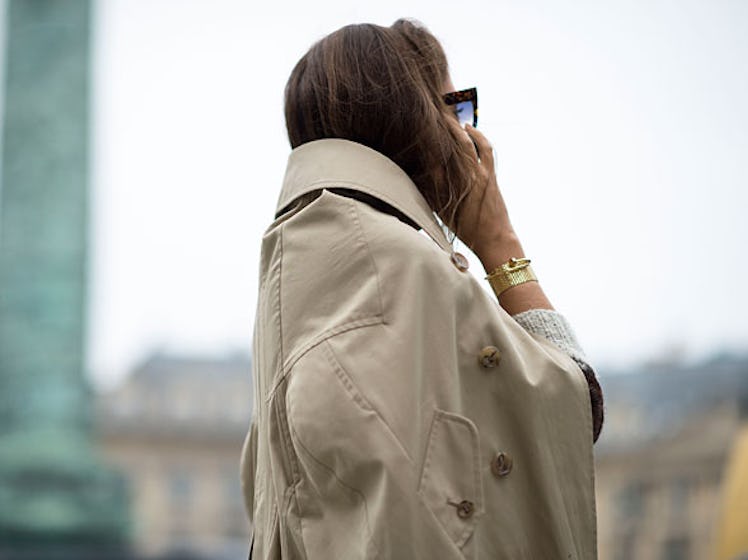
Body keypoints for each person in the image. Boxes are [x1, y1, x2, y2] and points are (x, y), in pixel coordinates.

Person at [240, 17, 604, 560]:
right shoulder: (401, 266)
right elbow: (573, 403)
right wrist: (502, 245)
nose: (466, 131)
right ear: (416, 116)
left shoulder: (305, 258)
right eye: (454, 108)